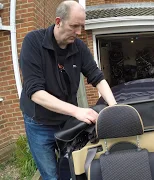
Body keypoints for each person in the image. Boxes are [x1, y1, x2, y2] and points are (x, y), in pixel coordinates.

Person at [19, 1, 117, 179]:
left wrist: (114, 107)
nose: (79, 32)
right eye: (74, 26)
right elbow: (35, 92)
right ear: (58, 21)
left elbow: (97, 77)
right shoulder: (33, 42)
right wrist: (77, 111)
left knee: (72, 169)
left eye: (82, 26)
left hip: (68, 122)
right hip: (39, 123)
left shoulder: (79, 47)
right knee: (50, 175)